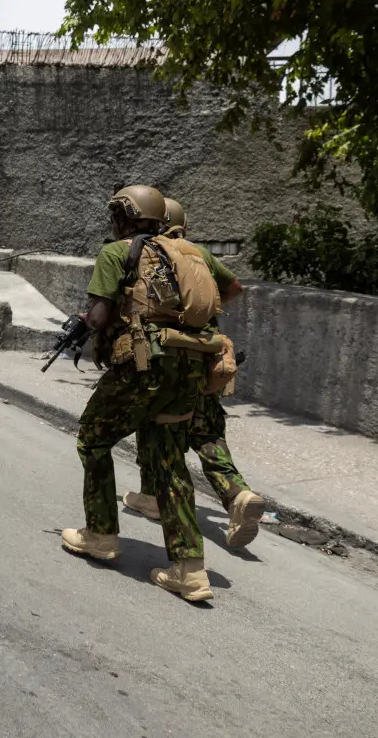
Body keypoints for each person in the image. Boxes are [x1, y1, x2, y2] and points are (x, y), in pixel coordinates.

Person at [61, 185, 228, 603]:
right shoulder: (192, 253)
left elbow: (99, 318)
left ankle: (100, 535)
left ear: (123, 216)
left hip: (142, 366)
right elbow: (232, 290)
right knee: (169, 460)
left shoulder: (118, 252)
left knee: (94, 438)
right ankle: (190, 570)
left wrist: (87, 319)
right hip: (189, 369)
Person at [122, 198, 265, 547]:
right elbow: (235, 288)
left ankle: (153, 496)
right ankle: (237, 494)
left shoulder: (150, 251)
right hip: (207, 356)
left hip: (169, 356)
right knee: (207, 431)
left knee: (155, 425)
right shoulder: (199, 254)